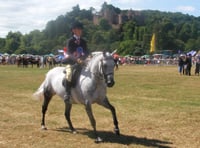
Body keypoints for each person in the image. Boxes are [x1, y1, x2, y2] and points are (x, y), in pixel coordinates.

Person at [63, 21, 90, 103]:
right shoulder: (70, 41)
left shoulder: (83, 41)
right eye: (78, 29)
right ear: (73, 30)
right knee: (69, 74)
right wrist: (77, 59)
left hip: (82, 62)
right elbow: (69, 53)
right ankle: (67, 94)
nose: (80, 31)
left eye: (81, 29)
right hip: (71, 62)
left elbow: (86, 52)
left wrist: (83, 58)